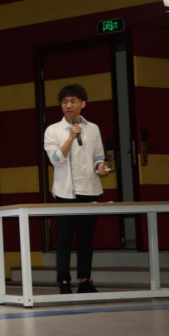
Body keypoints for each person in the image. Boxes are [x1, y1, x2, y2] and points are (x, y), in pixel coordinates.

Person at [44, 84, 110, 295]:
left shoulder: (93, 128)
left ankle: (85, 281)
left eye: (73, 101)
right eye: (64, 102)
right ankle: (64, 281)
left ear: (83, 104)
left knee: (86, 239)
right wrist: (71, 137)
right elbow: (56, 159)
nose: (68, 106)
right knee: (64, 239)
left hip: (89, 190)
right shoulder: (53, 130)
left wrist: (100, 167)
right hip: (66, 192)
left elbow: (98, 156)